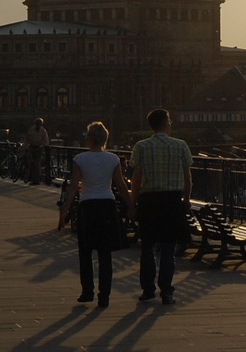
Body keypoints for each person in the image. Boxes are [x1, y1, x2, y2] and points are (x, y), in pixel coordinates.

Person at [58, 121, 130, 307]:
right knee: (105, 254)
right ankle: (104, 295)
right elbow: (120, 185)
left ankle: (87, 291)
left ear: (89, 139)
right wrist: (131, 205)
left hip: (87, 205)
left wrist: (64, 210)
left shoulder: (80, 159)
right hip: (107, 204)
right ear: (105, 139)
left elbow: (74, 186)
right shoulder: (113, 159)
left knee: (85, 251)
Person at [128, 108, 192, 305]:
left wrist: (133, 202)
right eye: (170, 122)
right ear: (165, 123)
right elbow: (188, 177)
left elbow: (136, 178)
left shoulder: (141, 146)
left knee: (147, 247)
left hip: (149, 201)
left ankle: (148, 289)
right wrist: (187, 199)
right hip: (172, 201)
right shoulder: (180, 146)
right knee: (168, 248)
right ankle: (167, 290)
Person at [25, 118, 51, 184]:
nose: (38, 125)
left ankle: (37, 180)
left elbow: (46, 141)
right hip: (31, 147)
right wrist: (26, 145)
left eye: (40, 124)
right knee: (31, 163)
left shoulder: (43, 131)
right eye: (37, 124)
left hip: (38, 149)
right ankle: (33, 178)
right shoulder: (31, 129)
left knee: (36, 164)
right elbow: (27, 137)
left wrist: (41, 146)